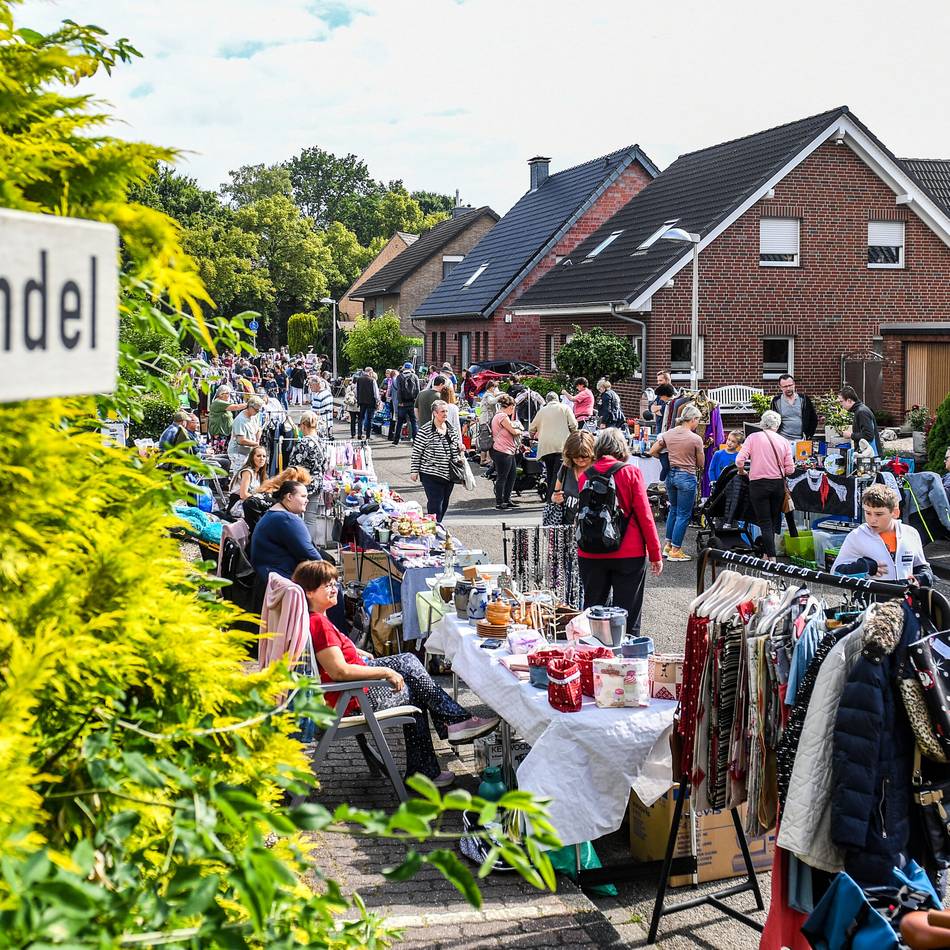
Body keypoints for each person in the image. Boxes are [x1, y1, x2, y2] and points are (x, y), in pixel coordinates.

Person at [293, 559, 499, 787]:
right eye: (327, 585)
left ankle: (439, 748)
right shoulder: (318, 624)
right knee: (413, 687)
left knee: (410, 666)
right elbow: (339, 671)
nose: (335, 589)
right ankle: (450, 729)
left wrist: (357, 650)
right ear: (310, 592)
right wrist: (386, 671)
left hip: (351, 692)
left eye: (335, 583)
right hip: (349, 699)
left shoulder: (315, 619)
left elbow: (334, 653)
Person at [577, 428, 663, 636]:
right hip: (628, 552)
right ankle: (628, 657)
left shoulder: (585, 475)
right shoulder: (630, 472)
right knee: (628, 611)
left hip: (590, 550)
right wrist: (655, 553)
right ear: (622, 448)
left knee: (592, 609)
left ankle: (592, 655)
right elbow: (645, 516)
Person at [832, 485, 932, 585]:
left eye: (879, 514)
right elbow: (835, 573)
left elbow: (921, 566)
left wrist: (922, 578)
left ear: (895, 513)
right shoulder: (856, 536)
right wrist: (865, 567)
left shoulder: (911, 533)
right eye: (868, 513)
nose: (872, 519)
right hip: (871, 599)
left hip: (904, 598)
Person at [648, 404, 706, 562]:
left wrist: (665, 461)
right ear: (693, 419)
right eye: (698, 420)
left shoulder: (668, 434)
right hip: (686, 475)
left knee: (673, 510)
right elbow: (701, 463)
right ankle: (676, 550)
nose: (697, 424)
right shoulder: (695, 439)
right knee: (683, 514)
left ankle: (667, 545)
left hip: (671, 475)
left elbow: (652, 451)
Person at [735, 409, 794, 560]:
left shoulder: (753, 437)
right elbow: (790, 469)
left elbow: (739, 460)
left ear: (762, 423)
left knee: (764, 522)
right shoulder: (784, 441)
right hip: (777, 485)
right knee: (773, 521)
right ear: (778, 425)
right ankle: (767, 555)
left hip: (758, 484)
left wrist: (742, 472)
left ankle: (771, 559)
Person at [250, 480, 323, 586]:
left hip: (267, 574)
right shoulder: (287, 519)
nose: (307, 500)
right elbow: (311, 554)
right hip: (281, 579)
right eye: (303, 496)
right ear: (289, 496)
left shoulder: (274, 514)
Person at [410, 400, 463, 521]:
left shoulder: (451, 428)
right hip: (430, 474)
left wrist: (460, 448)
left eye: (446, 411)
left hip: (449, 473)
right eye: (442, 411)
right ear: (434, 413)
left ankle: (438, 525)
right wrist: (414, 471)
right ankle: (433, 528)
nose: (445, 414)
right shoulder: (425, 430)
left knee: (444, 504)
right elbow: (417, 452)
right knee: (435, 504)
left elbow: (455, 448)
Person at [529, 391, 578, 502]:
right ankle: (551, 500)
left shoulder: (542, 411)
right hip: (561, 446)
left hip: (546, 447)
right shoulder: (565, 408)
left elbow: (532, 428)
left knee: (550, 473)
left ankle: (549, 498)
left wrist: (532, 436)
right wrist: (573, 435)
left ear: (547, 400)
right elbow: (574, 425)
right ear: (557, 399)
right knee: (558, 474)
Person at [548, 430, 595, 526]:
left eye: (584, 456)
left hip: (591, 529)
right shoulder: (566, 468)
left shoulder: (598, 470)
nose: (580, 459)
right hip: (568, 528)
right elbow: (555, 494)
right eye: (575, 456)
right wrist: (555, 498)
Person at [490, 394, 523, 510]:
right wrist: (519, 430)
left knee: (511, 475)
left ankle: (507, 499)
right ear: (507, 406)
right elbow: (513, 431)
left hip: (507, 450)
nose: (513, 410)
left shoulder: (498, 416)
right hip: (503, 450)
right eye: (512, 407)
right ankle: (499, 502)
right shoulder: (502, 416)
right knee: (503, 477)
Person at [770, 374, 818, 441]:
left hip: (802, 440)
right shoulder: (776, 401)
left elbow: (813, 419)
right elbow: (772, 421)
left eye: (790, 385)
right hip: (782, 440)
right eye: (785, 386)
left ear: (794, 384)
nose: (788, 388)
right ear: (780, 387)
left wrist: (808, 435)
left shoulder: (804, 399)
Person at [838, 385, 881, 456]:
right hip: (867, 454)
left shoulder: (861, 412)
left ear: (849, 400)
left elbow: (869, 435)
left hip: (871, 456)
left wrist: (851, 435)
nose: (841, 404)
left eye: (841, 401)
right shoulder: (860, 410)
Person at [227, 396, 264, 472]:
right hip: (238, 453)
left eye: (259, 410)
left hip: (248, 452)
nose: (257, 412)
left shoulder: (254, 416)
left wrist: (257, 439)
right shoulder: (240, 420)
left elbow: (259, 429)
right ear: (250, 407)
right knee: (239, 475)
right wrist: (256, 444)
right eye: (256, 410)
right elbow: (241, 440)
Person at [287, 411, 326, 484]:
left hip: (304, 485)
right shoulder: (322, 442)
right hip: (318, 483)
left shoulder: (303, 443)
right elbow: (324, 465)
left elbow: (293, 467)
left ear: (303, 425)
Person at [229, 445, 267, 517]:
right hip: (238, 505)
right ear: (252, 458)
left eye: (264, 456)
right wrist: (260, 499)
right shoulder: (247, 472)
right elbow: (243, 494)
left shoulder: (260, 474)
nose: (262, 458)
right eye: (258, 456)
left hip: (251, 503)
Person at [208, 387, 246, 454]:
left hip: (224, 434)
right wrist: (248, 404)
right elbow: (236, 407)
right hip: (220, 434)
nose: (229, 395)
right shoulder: (218, 402)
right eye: (227, 393)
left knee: (225, 453)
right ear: (221, 394)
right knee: (220, 454)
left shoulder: (222, 403)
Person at [391, 362, 421, 445]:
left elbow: (399, 390)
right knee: (413, 422)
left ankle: (396, 441)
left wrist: (400, 401)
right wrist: (417, 401)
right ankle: (415, 441)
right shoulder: (415, 376)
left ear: (404, 368)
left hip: (402, 404)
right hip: (412, 403)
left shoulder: (399, 377)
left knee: (399, 422)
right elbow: (418, 390)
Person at [477, 379, 501, 467]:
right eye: (495, 387)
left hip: (485, 420)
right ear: (491, 387)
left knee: (486, 439)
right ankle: (484, 460)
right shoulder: (488, 395)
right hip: (486, 421)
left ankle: (485, 459)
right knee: (486, 439)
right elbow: (492, 401)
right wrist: (500, 397)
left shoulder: (488, 394)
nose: (495, 389)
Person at [355, 367, 380, 440]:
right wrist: (378, 401)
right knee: (369, 419)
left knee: (361, 418)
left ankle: (359, 434)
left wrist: (358, 398)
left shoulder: (359, 379)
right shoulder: (372, 380)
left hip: (361, 401)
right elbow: (376, 392)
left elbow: (356, 391)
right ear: (370, 372)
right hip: (371, 402)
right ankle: (368, 436)